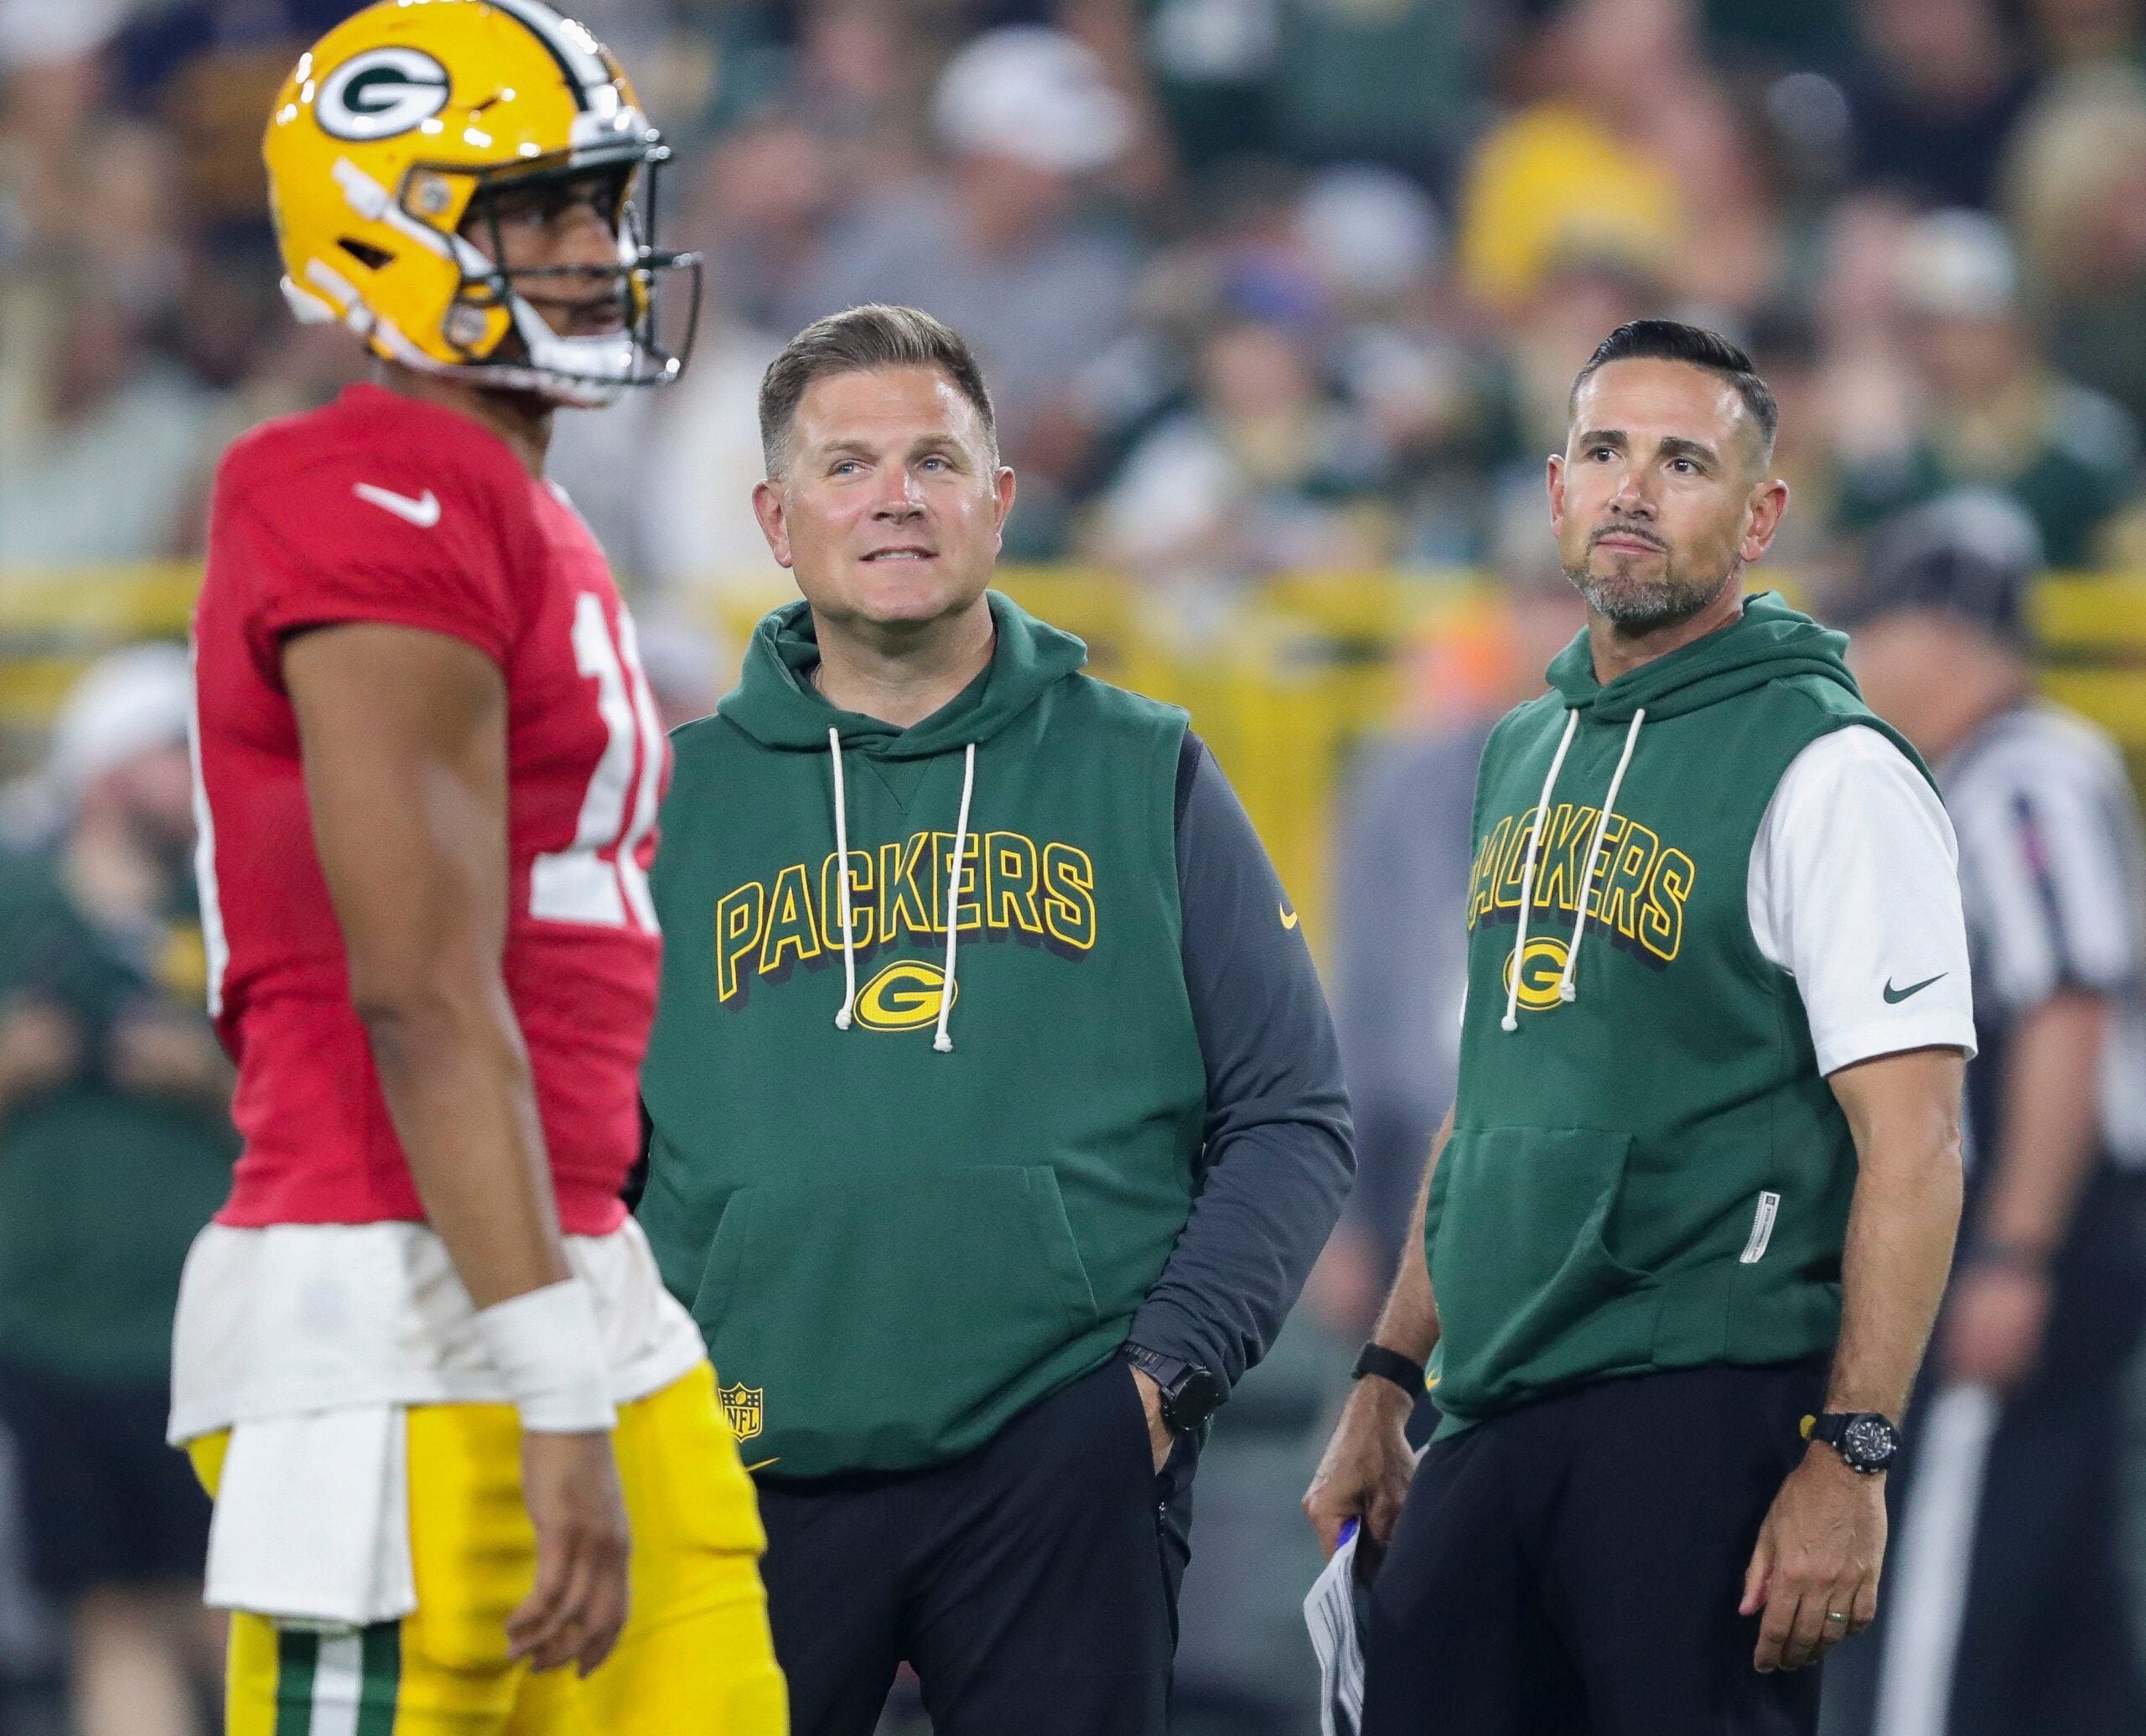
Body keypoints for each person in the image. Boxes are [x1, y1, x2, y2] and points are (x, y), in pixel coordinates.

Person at [171, 3, 785, 1731]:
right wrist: (547, 1386)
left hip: (579, 1269)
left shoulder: (521, 499)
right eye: (544, 213)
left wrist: (581, 1352)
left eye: (602, 207)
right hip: (394, 1301)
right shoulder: (370, 478)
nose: (598, 254)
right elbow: (421, 988)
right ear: (388, 222)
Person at [635, 303, 1355, 1736]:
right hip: (735, 1464)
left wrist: (1154, 1390)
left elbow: (1293, 1115)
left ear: (1001, 502)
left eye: (935, 461)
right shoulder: (675, 802)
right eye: (847, 469)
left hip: (1064, 1453)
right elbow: (583, 1149)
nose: (896, 497)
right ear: (776, 519)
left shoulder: (1146, 765)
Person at [1304, 319, 1978, 1735]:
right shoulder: (1519, 750)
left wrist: (1851, 1457)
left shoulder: (1832, 765)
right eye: (1606, 451)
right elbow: (1489, 1103)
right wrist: (1385, 1380)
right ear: (1554, 487)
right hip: (1492, 1401)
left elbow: (1915, 1141)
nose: (1632, 489)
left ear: (1761, 514)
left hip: (1707, 1399)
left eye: (1684, 461)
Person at [1827, 492, 2146, 1736]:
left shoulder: (2020, 777)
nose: (1864, 658)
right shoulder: (1992, 774)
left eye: (1881, 625)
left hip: (2032, 1233)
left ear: (1944, 629)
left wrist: (2013, 1250)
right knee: (2062, 1619)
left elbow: (2066, 1011)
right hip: (2052, 1232)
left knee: (1937, 1598)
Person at [0, 646, 234, 1736]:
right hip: (54, 1319)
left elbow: (338, 1095)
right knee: (110, 1615)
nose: (203, 773)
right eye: (176, 750)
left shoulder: (229, 903)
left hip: (211, 1319)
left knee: (233, 1611)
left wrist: (210, 1078)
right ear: (107, 767)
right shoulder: (16, 900)